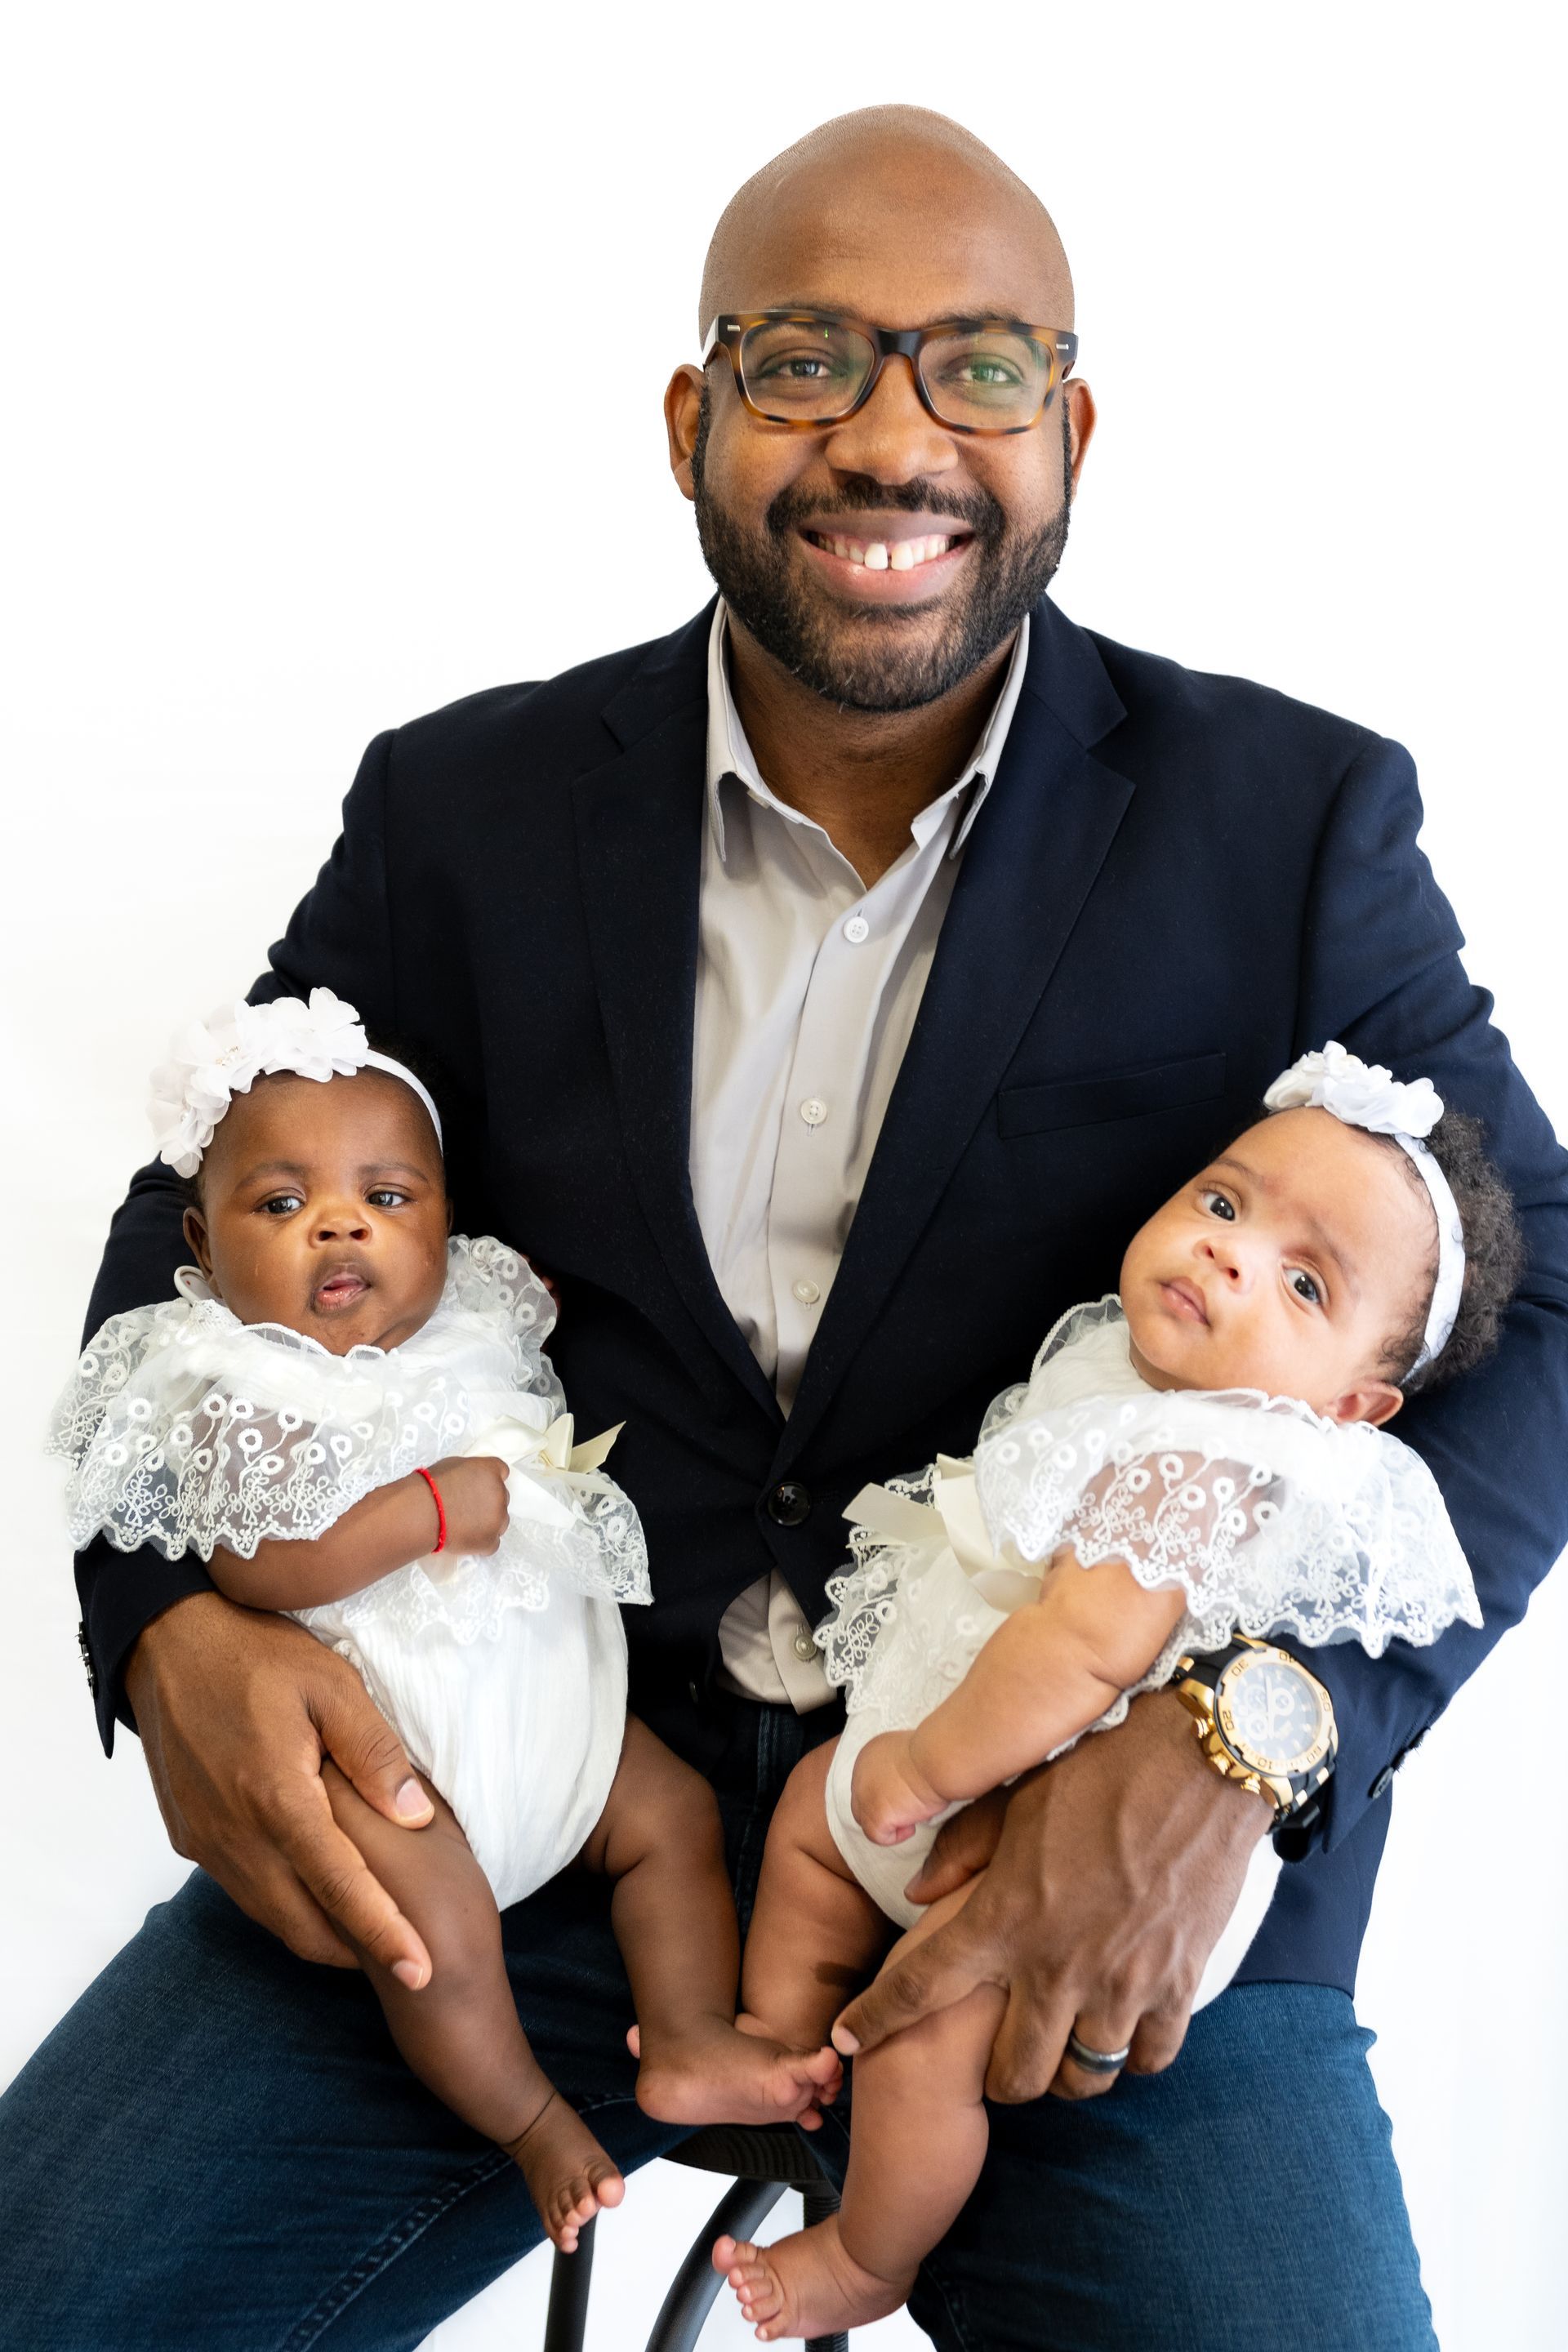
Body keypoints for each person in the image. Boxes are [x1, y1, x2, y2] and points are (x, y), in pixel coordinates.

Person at [2, 102, 1566, 2352]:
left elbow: (1550, 1291)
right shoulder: (461, 809)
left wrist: (1268, 1727)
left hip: (1071, 1817)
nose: (896, 437)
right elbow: (202, 1187)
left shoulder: (1291, 818)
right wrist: (163, 1618)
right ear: (695, 418)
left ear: (1074, 426)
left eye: (982, 368)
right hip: (530, 1795)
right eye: (808, 358)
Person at [717, 1050, 1518, 2339]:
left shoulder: (1207, 1456)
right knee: (818, 1814)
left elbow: (1083, 1651)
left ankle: (870, 2253)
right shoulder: (1128, 1366)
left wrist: (924, 1774)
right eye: (1222, 1204)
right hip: (944, 1740)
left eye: (1303, 1282)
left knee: (930, 2038)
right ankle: (782, 2040)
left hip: (1050, 1825)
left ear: (1353, 1406)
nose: (1231, 1256)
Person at [49, 989, 840, 2251]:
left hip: (550, 1714)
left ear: (448, 1220)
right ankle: (527, 2118)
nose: (340, 1222)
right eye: (281, 1205)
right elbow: (262, 1561)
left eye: (387, 1197)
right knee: (435, 1934)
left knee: (663, 1818)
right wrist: (430, 1506)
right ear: (199, 1246)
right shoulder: (236, 1377)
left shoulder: (468, 1317)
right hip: (398, 1748)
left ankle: (685, 2035)